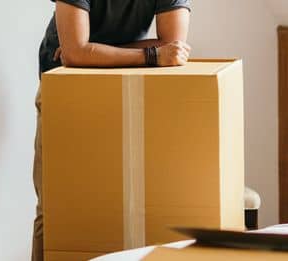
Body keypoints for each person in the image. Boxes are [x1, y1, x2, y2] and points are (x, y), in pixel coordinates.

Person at [32, 1, 191, 260]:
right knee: (54, 209)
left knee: (114, 208)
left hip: (126, 90)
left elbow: (173, 49)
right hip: (64, 91)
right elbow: (73, 54)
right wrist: (149, 54)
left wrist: (90, 51)